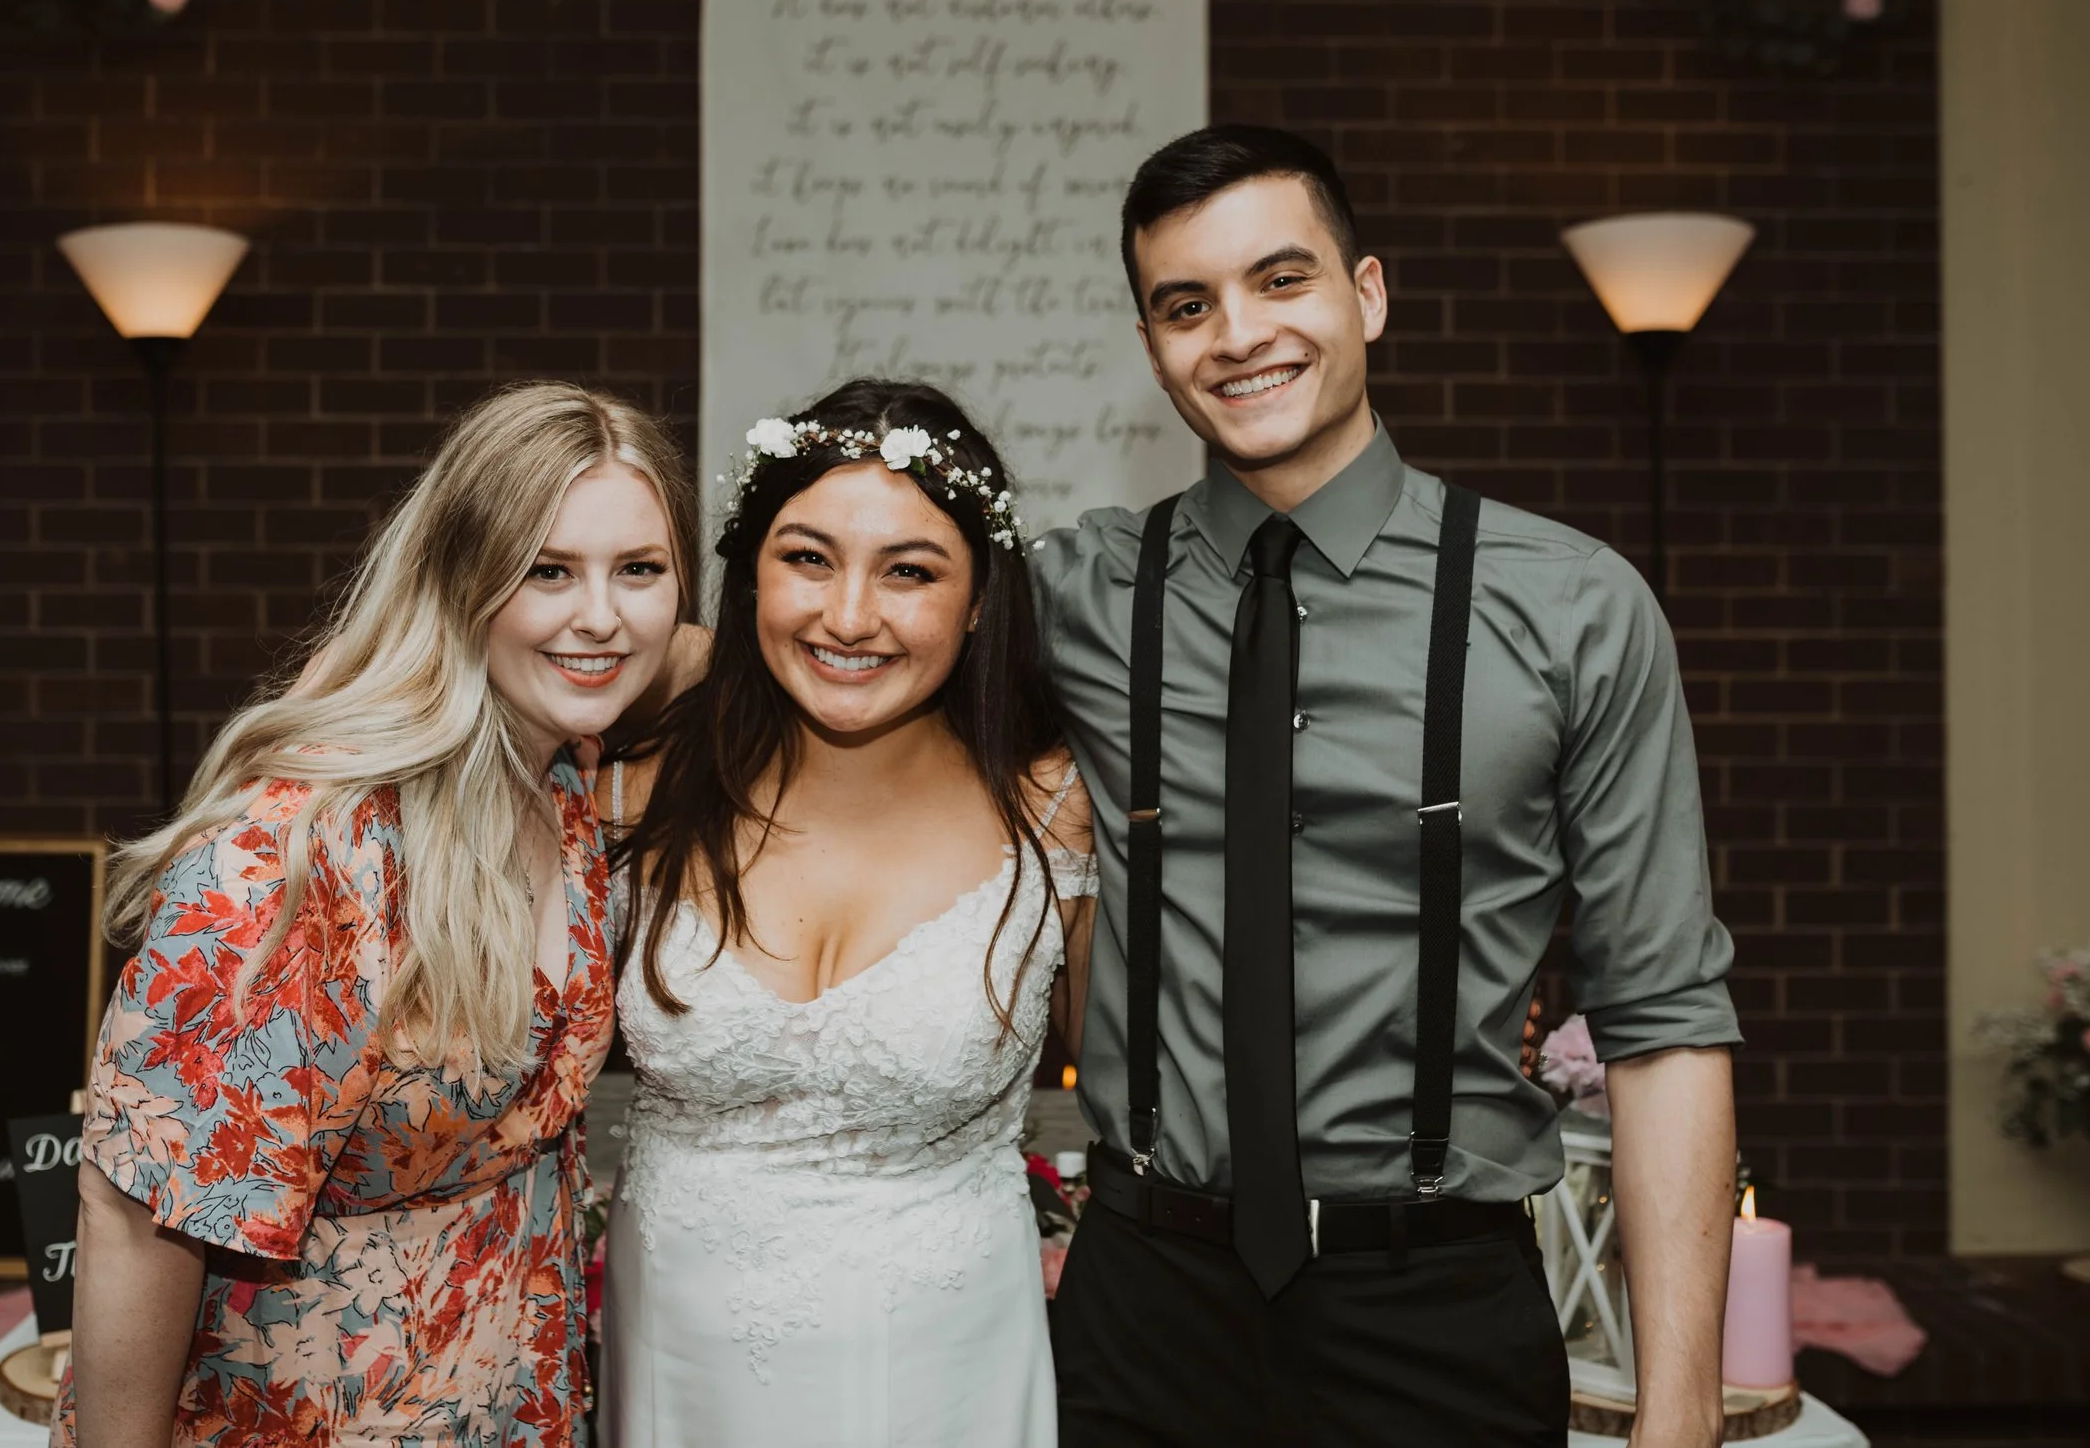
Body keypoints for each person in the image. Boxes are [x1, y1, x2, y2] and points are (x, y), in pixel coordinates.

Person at [1038, 125, 1741, 1448]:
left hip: (1437, 1310)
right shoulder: (1076, 594)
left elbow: (1664, 1022)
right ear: (1152, 347)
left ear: (1367, 293)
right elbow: (804, 650)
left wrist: (1679, 1410)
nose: (1236, 332)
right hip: (1143, 1302)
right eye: (1186, 305)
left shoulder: (1574, 607)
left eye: (1280, 279)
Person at [57, 382, 694, 1448]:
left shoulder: (564, 773)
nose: (601, 615)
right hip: (304, 1417)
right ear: (462, 579)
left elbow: (698, 652)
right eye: (547, 569)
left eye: (639, 569)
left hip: (514, 1405)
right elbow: (135, 1215)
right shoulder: (308, 851)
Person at [600, 379, 1099, 1448]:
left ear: (978, 600)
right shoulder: (637, 770)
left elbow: (1143, 1080)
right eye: (807, 557)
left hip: (950, 1370)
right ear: (748, 574)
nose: (847, 615)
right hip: (681, 1370)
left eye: (908, 570)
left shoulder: (1051, 806)